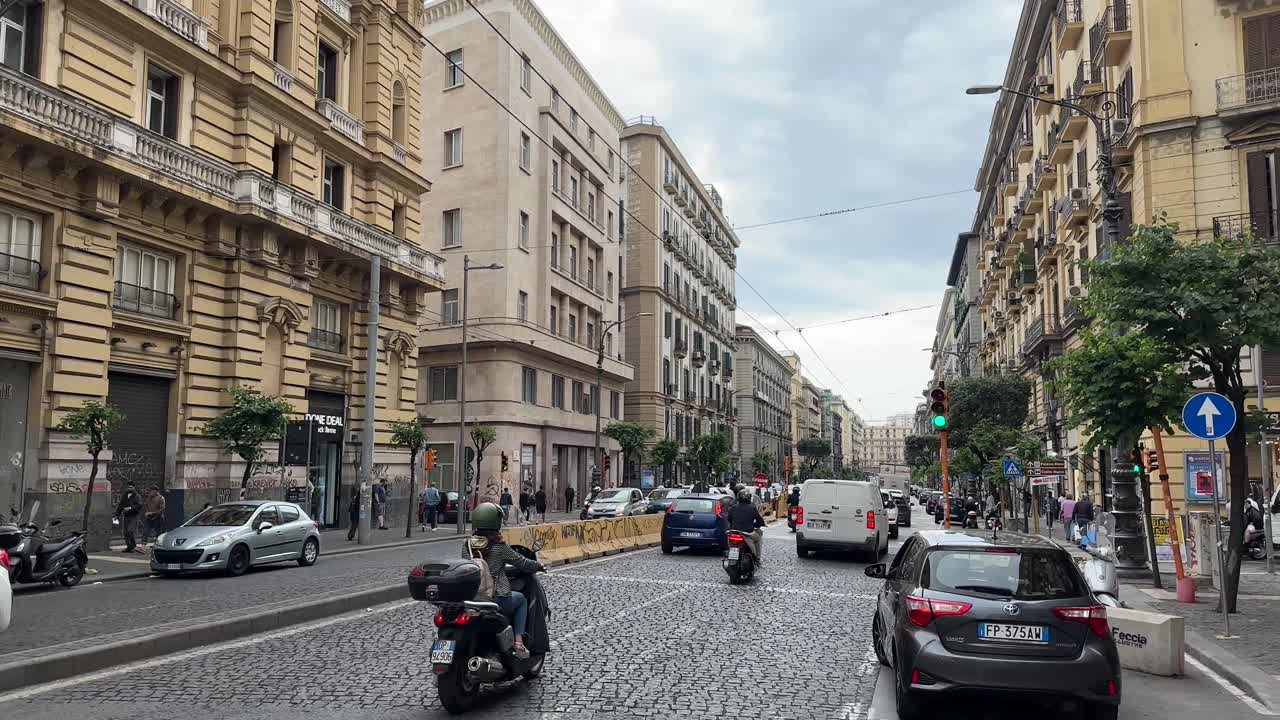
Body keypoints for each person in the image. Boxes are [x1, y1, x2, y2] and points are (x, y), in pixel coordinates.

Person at [465, 502, 543, 659]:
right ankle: (519, 642)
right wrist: (539, 565)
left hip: (472, 597)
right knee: (521, 600)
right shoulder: (499, 547)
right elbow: (522, 563)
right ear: (496, 522)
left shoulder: (466, 545)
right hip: (495, 597)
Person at [727, 488, 766, 562]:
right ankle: (757, 558)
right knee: (757, 539)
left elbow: (729, 519)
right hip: (747, 533)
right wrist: (757, 525)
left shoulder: (732, 508)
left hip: (734, 532)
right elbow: (760, 520)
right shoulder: (752, 508)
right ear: (749, 498)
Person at [115, 483, 143, 552]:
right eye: (128, 487)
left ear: (134, 487)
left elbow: (139, 505)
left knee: (130, 531)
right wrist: (117, 514)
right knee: (125, 532)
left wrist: (130, 508)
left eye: (131, 487)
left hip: (134, 516)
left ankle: (133, 546)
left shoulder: (137, 496)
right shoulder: (124, 496)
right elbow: (121, 505)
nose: (129, 488)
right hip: (126, 516)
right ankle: (129, 547)